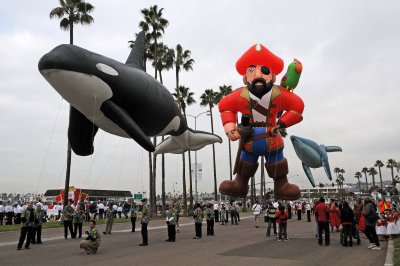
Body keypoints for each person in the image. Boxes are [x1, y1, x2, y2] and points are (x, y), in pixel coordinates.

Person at [218, 43, 304, 200]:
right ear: (245, 78)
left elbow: (297, 107)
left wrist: (281, 123)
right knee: (245, 164)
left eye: (264, 71)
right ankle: (240, 184)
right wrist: (230, 126)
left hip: (272, 136)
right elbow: (225, 107)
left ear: (273, 76)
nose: (258, 75)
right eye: (251, 70)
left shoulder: (279, 94)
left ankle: (281, 185)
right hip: (249, 138)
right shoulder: (240, 95)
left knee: (278, 163)